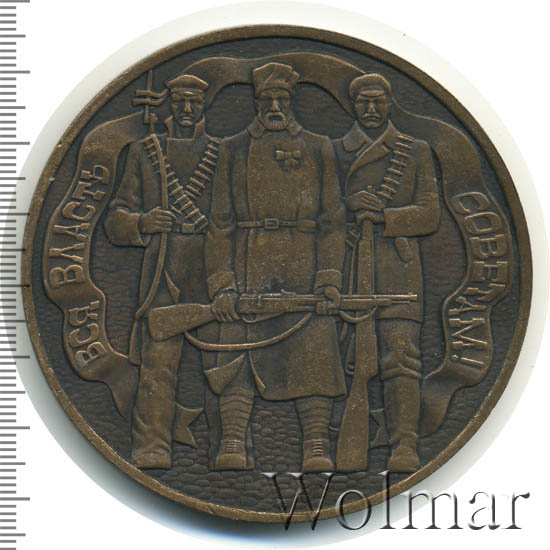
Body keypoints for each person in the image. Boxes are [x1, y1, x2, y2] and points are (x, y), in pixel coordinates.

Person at [205, 62, 346, 472]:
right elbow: (220, 223)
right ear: (255, 102)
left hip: (305, 262)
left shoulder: (319, 146)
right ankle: (233, 439)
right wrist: (223, 285)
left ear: (292, 101)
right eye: (265, 99)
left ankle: (316, 443)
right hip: (248, 262)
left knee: (313, 352)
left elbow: (333, 219)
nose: (274, 106)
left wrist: (329, 278)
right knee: (238, 352)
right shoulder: (233, 148)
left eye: (281, 98)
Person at [104, 74, 220, 469]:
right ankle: (152, 446)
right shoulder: (144, 151)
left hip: (212, 269)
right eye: (180, 101)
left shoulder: (222, 153)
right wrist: (143, 221)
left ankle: (228, 448)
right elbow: (114, 220)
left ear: (204, 106)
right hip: (163, 267)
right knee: (158, 364)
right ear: (169, 104)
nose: (186, 110)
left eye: (194, 102)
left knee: (222, 363)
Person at [332, 73, 440, 472]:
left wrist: (385, 215)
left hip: (398, 269)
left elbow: (430, 214)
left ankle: (404, 445)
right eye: (363, 102)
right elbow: (320, 207)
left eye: (378, 101)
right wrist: (347, 205)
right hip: (346, 265)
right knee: (342, 355)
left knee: (401, 357)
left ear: (390, 103)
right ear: (353, 106)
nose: (371, 109)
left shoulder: (414, 151)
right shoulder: (335, 151)